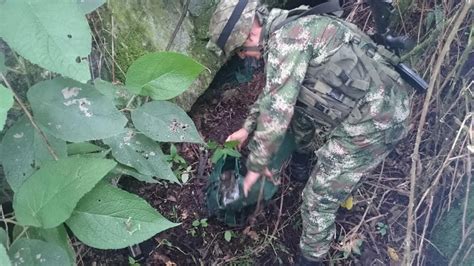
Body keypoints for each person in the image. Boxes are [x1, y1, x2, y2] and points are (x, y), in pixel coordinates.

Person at [206, 0, 412, 264]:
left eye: (239, 50)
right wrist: (246, 129)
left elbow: (277, 113)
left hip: (376, 120)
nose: (242, 56)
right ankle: (302, 162)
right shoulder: (285, 32)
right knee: (300, 119)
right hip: (366, 104)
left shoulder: (289, 39)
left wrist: (255, 167)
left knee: (318, 200)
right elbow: (275, 94)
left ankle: (311, 257)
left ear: (250, 32)